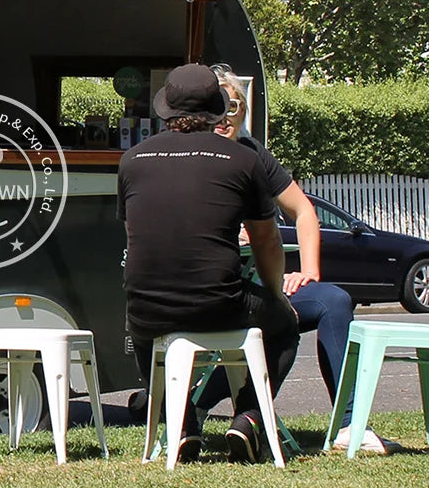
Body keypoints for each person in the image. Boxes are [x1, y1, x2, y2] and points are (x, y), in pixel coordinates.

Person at [194, 64, 401, 454]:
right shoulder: (193, 157)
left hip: (260, 284)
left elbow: (304, 212)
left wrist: (307, 272)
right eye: (215, 107)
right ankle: (214, 407)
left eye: (233, 105)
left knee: (332, 301)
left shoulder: (253, 154)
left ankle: (349, 425)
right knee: (274, 326)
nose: (224, 117)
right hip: (213, 288)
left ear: (244, 110)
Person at [117, 63, 299, 463]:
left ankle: (181, 426)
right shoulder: (241, 160)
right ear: (217, 110)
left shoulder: (133, 160)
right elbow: (267, 240)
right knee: (284, 324)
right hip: (218, 302)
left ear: (167, 110)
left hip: (146, 306)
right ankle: (249, 418)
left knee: (146, 331)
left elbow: (137, 234)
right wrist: (273, 296)